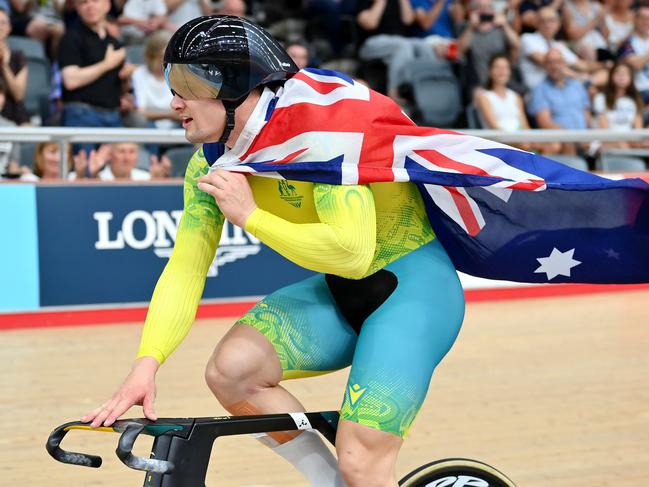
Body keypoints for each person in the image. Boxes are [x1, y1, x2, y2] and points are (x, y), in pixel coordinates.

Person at [82, 15, 465, 487]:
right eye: (169, 81)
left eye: (185, 83)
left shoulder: (319, 137)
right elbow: (185, 269)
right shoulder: (212, 161)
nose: (173, 100)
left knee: (364, 463)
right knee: (231, 371)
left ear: (234, 87)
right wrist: (146, 364)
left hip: (414, 294)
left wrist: (251, 216)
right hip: (343, 293)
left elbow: (353, 253)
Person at [58, 0, 126, 154]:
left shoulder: (114, 42)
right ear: (77, 8)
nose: (90, 6)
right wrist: (107, 64)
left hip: (114, 115)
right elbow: (70, 80)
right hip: (81, 114)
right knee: (84, 172)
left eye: (95, 1)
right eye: (83, 2)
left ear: (107, 5)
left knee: (121, 172)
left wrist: (126, 81)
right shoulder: (71, 38)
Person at [528, 48, 592, 154]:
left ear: (564, 64)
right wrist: (570, 137)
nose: (554, 66)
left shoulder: (577, 85)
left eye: (558, 62)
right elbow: (544, 122)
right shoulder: (539, 89)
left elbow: (586, 114)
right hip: (564, 141)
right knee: (567, 145)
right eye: (550, 62)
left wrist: (590, 135)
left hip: (585, 139)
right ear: (545, 66)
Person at [474, 54, 539, 151]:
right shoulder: (484, 97)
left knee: (553, 145)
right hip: (500, 142)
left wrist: (532, 140)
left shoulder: (516, 97)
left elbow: (525, 125)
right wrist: (521, 141)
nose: (502, 71)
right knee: (527, 147)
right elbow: (494, 127)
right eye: (497, 67)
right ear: (490, 72)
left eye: (505, 67)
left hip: (521, 140)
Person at [457, 0, 521, 89]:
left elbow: (517, 44)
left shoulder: (500, 28)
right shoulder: (467, 28)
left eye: (488, 7)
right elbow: (459, 51)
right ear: (472, 11)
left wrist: (505, 25)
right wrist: (471, 27)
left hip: (503, 82)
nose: (484, 11)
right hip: (479, 84)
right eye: (479, 7)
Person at [593, 62, 647, 149]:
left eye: (625, 74)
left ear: (631, 78)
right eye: (618, 73)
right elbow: (604, 130)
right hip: (607, 141)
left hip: (630, 141)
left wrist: (637, 142)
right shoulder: (601, 98)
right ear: (611, 76)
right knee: (622, 145)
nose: (621, 76)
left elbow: (638, 130)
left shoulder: (635, 100)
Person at [131, 30, 178, 129]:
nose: (166, 61)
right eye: (162, 56)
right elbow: (141, 112)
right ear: (151, 56)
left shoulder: (177, 74)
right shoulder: (140, 74)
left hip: (178, 125)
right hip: (149, 126)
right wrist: (170, 115)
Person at [69, 141, 171, 180]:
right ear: (110, 155)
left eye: (132, 152)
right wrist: (88, 175)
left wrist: (158, 180)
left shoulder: (146, 177)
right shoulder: (96, 175)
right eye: (121, 151)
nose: (126, 158)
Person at [0, 7, 29, 126]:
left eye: (2, 22)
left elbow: (18, 94)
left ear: (9, 28)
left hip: (15, 115)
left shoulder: (18, 57)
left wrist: (4, 65)